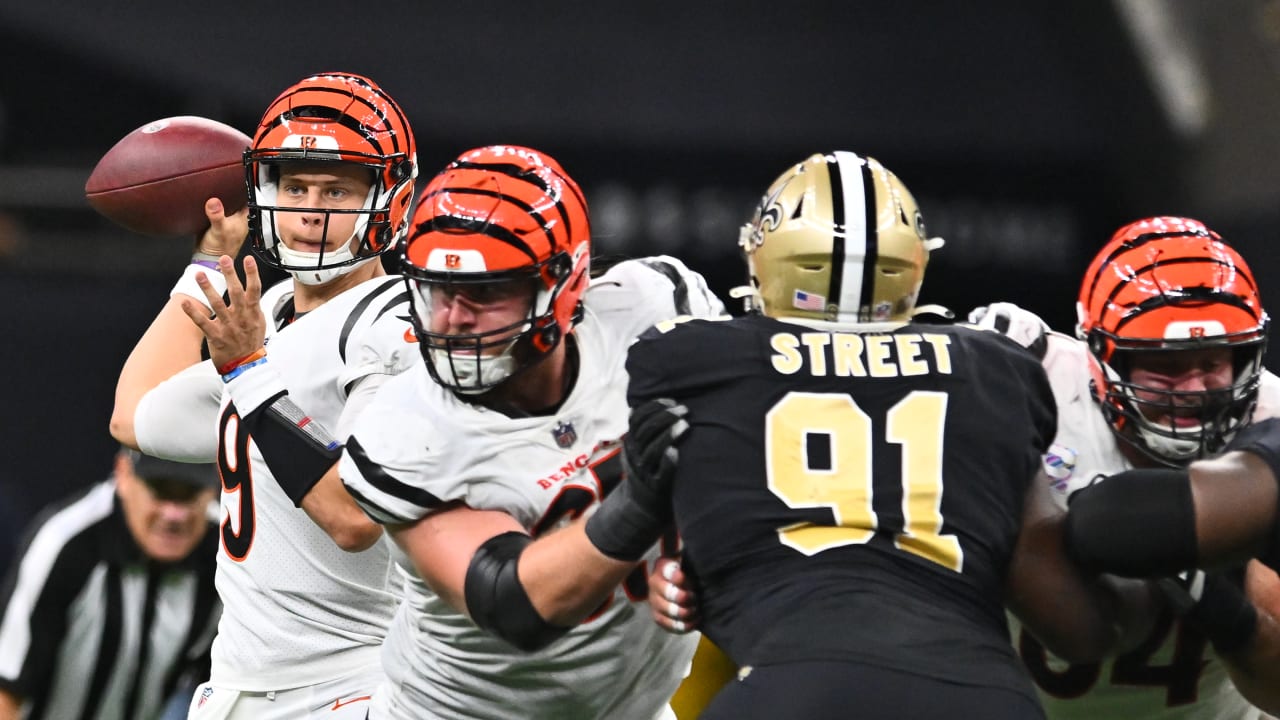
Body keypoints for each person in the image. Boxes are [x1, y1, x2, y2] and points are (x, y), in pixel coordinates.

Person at [627, 151, 1167, 719]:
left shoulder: (692, 358)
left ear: (766, 252)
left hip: (796, 687)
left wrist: (687, 572)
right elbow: (1075, 629)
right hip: (981, 695)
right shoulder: (994, 366)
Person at [336, 144, 722, 719]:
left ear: (565, 285)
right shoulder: (405, 428)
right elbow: (513, 602)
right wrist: (645, 501)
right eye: (440, 290)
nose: (455, 318)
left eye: (487, 293)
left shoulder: (652, 315)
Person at [108, 71, 419, 719]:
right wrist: (205, 266)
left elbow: (356, 520)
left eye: (336, 189)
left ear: (390, 198)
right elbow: (135, 416)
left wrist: (249, 371)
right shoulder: (269, 311)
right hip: (239, 688)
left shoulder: (393, 325)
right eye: (295, 185)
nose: (309, 209)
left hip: (351, 684)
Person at [987, 216, 1280, 717]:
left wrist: (1224, 604)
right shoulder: (1032, 385)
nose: (1192, 391)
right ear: (1100, 358)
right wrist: (963, 365)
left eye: (1212, 362)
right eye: (1165, 366)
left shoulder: (1270, 419)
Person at [0, 448, 220, 720]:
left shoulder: (226, 553)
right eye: (159, 490)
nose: (174, 514)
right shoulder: (66, 541)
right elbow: (6, 688)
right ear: (124, 475)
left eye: (189, 493)